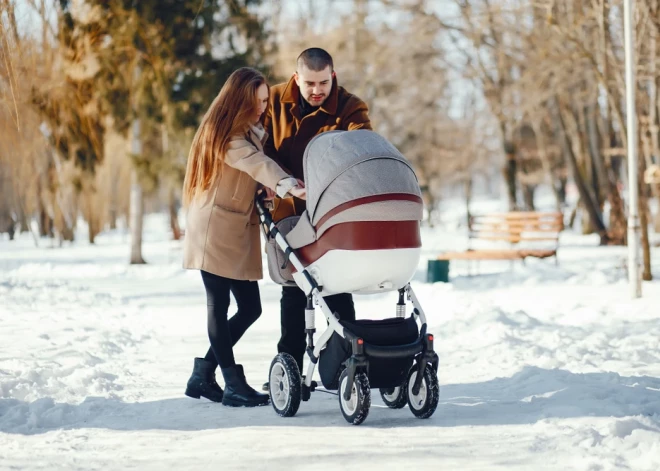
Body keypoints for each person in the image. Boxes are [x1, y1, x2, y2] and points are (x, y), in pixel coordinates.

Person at [181, 67, 306, 407]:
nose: (263, 108)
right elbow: (254, 164)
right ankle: (232, 382)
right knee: (219, 306)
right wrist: (288, 184)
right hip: (214, 229)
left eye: (265, 101)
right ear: (238, 102)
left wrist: (264, 192)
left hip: (233, 227)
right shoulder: (224, 135)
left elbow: (248, 174)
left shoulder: (250, 132)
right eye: (256, 103)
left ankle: (203, 373)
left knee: (250, 308)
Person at [261, 47, 372, 389]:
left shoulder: (349, 106)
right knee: (295, 292)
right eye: (309, 83)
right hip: (288, 213)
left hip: (330, 213)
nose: (316, 90)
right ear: (297, 78)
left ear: (332, 76)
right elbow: (257, 150)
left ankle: (347, 366)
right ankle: (291, 369)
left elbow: (362, 145)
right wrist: (268, 184)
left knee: (337, 286)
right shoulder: (274, 102)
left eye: (323, 82)